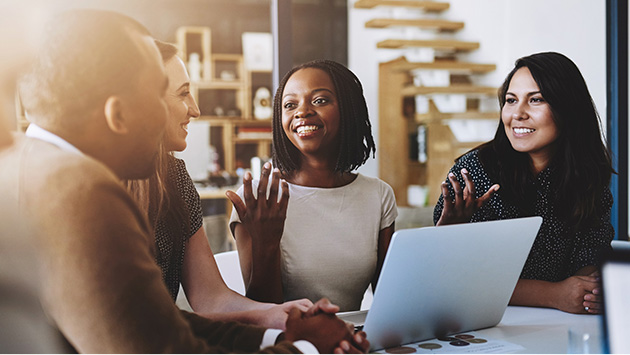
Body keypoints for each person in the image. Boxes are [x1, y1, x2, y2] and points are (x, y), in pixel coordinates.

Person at [4, 9, 367, 353]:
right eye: (160, 94)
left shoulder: (37, 167)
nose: (192, 110)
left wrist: (274, 334)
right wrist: (306, 348)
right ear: (118, 114)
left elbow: (153, 322)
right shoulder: (83, 191)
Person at [125, 39, 312, 329]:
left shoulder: (176, 178)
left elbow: (210, 298)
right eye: (183, 94)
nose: (195, 110)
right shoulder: (96, 188)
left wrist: (277, 314)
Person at [433, 52, 614, 315]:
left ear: (568, 108)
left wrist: (588, 289)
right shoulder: (473, 172)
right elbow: (455, 277)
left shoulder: (587, 175)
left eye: (536, 100)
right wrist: (555, 294)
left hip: (558, 326)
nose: (517, 114)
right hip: (481, 324)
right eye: (511, 100)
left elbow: (589, 258)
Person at [227, 59, 398, 311]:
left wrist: (446, 231)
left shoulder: (378, 195)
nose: (302, 112)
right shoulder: (258, 198)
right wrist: (267, 242)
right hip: (288, 345)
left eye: (319, 100)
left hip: (352, 343)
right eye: (290, 105)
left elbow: (390, 302)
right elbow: (262, 313)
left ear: (348, 109)